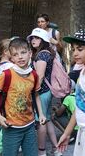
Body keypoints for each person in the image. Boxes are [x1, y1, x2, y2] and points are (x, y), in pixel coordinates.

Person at [0, 37, 45, 156]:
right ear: (11, 57)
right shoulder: (7, 74)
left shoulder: (34, 75)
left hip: (29, 125)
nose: (20, 57)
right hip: (11, 127)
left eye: (23, 52)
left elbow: (36, 95)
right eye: (15, 54)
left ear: (30, 53)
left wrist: (41, 114)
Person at [26, 28, 61, 156]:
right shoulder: (48, 53)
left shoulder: (42, 55)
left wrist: (34, 92)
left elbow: (39, 76)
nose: (33, 40)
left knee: (41, 121)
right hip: (47, 91)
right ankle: (56, 149)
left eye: (37, 38)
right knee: (47, 119)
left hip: (41, 92)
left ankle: (42, 151)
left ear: (43, 40)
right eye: (32, 38)